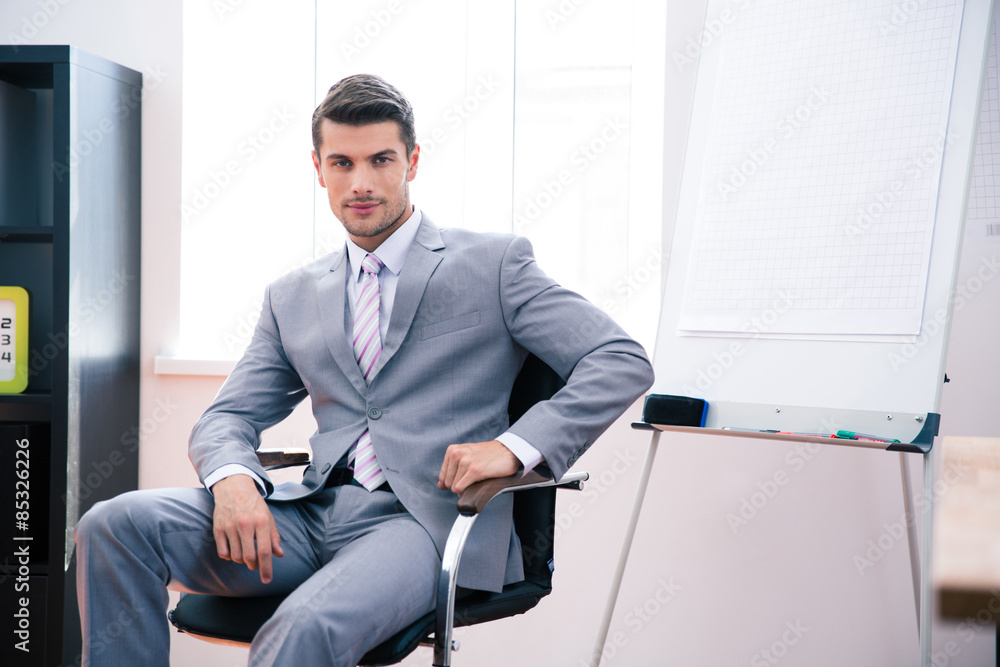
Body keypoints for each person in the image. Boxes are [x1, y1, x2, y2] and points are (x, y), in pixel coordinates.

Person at [75, 74, 654, 666]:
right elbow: (229, 415)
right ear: (318, 169)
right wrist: (232, 480)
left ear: (413, 160)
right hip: (307, 513)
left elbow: (620, 359)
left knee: (299, 629)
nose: (361, 183)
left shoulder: (493, 264)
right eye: (342, 162)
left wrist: (514, 446)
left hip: (423, 522)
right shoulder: (292, 295)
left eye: (381, 160)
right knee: (112, 524)